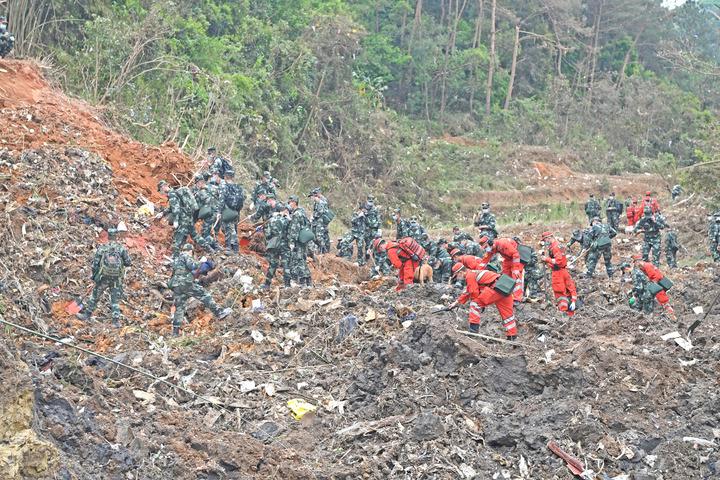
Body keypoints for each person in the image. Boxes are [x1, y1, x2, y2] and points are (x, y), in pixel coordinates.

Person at [168, 243, 232, 336]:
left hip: (176, 285)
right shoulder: (185, 255)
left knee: (179, 307)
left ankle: (175, 332)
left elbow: (175, 272)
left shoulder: (176, 259)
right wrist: (201, 261)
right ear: (190, 250)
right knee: (205, 295)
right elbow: (193, 266)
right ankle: (219, 312)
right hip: (185, 283)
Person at [76, 228, 132, 326]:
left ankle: (87, 315)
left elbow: (95, 264)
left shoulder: (103, 248)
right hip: (116, 279)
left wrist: (95, 277)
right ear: (116, 236)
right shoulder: (121, 248)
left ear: (108, 236)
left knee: (95, 296)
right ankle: (116, 321)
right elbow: (128, 263)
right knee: (115, 299)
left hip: (103, 278)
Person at [448, 265, 517, 340]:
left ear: (461, 272)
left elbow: (473, 292)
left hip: (495, 288)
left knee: (474, 304)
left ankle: (473, 330)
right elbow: (468, 291)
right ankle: (512, 336)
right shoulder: (473, 273)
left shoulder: (469, 276)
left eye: (456, 275)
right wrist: (456, 302)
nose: (457, 278)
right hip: (504, 287)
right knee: (508, 315)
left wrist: (480, 303)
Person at [157, 180, 207, 253]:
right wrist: (162, 213)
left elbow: (176, 209)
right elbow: (172, 207)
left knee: (177, 241)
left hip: (183, 220)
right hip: (188, 217)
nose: (161, 192)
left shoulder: (172, 195)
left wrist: (176, 221)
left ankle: (175, 258)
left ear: (163, 187)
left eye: (160, 190)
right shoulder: (175, 192)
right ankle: (210, 249)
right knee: (195, 235)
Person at [540, 232, 578, 317]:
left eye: (545, 239)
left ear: (549, 238)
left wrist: (546, 259)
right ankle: (570, 313)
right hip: (563, 271)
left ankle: (563, 314)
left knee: (559, 292)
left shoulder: (555, 247)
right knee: (569, 288)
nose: (545, 242)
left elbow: (558, 261)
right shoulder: (557, 245)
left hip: (558, 273)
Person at [477, 236, 524, 302]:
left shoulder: (503, 243)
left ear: (490, 243)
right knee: (505, 276)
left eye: (485, 247)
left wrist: (516, 269)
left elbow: (515, 254)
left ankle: (518, 298)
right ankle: (506, 293)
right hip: (508, 259)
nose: (486, 249)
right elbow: (485, 260)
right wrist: (477, 271)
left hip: (517, 258)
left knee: (515, 275)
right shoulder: (492, 248)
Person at [628, 255, 676, 319]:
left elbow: (656, 276)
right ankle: (667, 315)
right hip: (657, 285)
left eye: (635, 263)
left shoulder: (647, 266)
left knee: (663, 301)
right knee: (661, 301)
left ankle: (672, 317)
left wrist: (652, 284)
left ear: (638, 261)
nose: (635, 265)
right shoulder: (644, 267)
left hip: (658, 285)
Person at [263, 203, 291, 288]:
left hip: (274, 244)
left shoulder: (272, 220)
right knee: (286, 265)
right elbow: (291, 233)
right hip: (284, 245)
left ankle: (267, 284)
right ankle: (287, 285)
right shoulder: (288, 221)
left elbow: (267, 234)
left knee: (273, 264)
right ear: (285, 211)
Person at [287, 195, 313, 286]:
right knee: (302, 259)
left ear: (294, 202)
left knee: (298, 260)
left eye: (289, 202)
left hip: (298, 241)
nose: (289, 204)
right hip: (303, 240)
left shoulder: (296, 214)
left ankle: (302, 281)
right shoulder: (302, 212)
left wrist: (291, 242)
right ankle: (307, 281)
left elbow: (294, 229)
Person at [218, 170, 245, 253]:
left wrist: (219, 211)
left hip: (227, 211)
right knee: (234, 228)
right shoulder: (238, 187)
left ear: (225, 176)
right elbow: (242, 199)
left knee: (228, 229)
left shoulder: (224, 186)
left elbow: (221, 200)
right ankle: (235, 248)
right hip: (236, 211)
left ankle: (229, 247)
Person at [195, 173, 223, 250]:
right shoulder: (214, 187)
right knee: (215, 233)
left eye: (197, 183)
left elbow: (196, 207)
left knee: (205, 234)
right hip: (219, 214)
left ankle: (215, 249)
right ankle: (216, 249)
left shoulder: (199, 193)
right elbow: (222, 197)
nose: (197, 185)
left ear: (200, 182)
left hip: (210, 216)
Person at [310, 188, 333, 254]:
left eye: (312, 196)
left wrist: (313, 216)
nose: (311, 198)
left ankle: (324, 252)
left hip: (320, 222)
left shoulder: (321, 202)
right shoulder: (318, 202)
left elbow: (320, 212)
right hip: (318, 222)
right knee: (319, 237)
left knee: (319, 237)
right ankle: (322, 251)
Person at [364, 197, 381, 262]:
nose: (370, 202)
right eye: (369, 200)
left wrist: (379, 229)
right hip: (367, 229)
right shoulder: (365, 208)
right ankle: (367, 257)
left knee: (374, 243)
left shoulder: (375, 209)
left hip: (374, 229)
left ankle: (374, 257)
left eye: (371, 201)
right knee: (367, 243)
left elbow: (378, 219)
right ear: (367, 200)